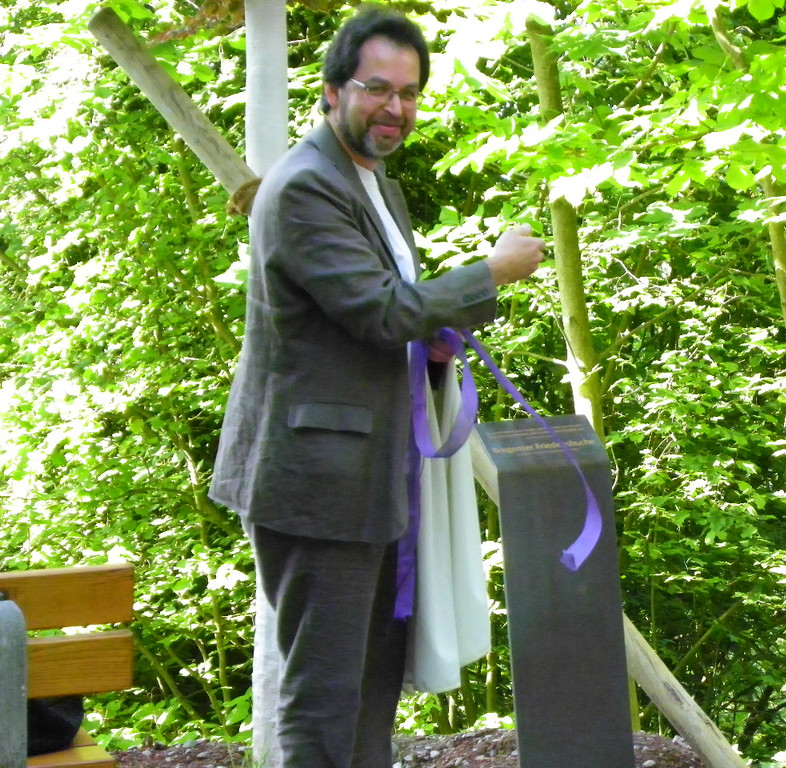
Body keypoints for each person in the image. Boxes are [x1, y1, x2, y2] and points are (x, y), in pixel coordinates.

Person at [209, 6, 545, 768]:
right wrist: (489, 273)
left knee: (370, 691)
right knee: (325, 702)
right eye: (377, 88)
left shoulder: (372, 182)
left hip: (373, 477)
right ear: (332, 91)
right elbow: (379, 310)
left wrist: (433, 351)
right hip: (315, 484)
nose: (396, 107)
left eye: (410, 92)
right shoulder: (304, 186)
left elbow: (384, 319)